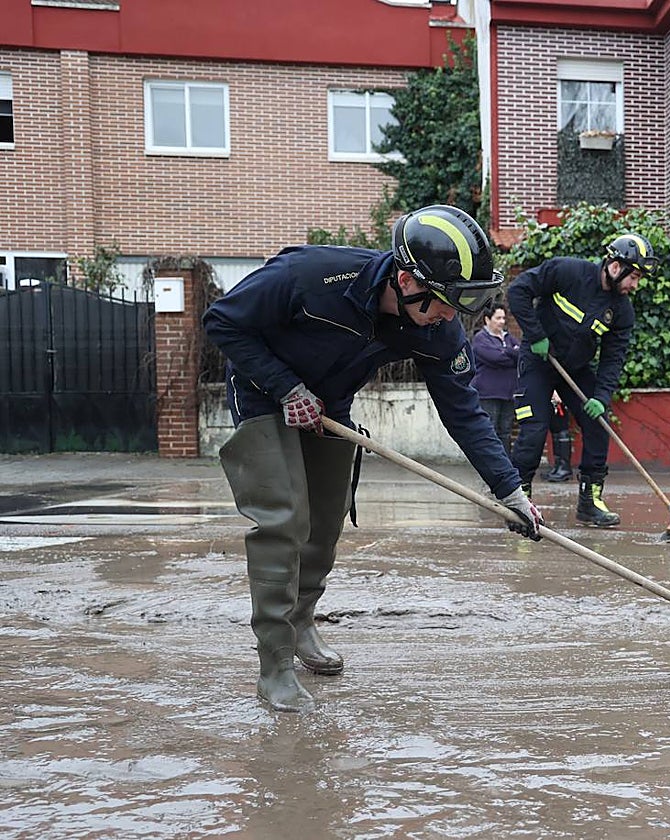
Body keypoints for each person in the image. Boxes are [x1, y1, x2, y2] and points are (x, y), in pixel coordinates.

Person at [202, 204, 542, 713]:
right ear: (406, 280)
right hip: (263, 395)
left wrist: (510, 490)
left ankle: (300, 624)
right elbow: (222, 322)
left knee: (324, 521)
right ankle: (274, 666)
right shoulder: (310, 276)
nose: (451, 317)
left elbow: (465, 413)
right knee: (283, 520)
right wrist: (286, 387)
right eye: (444, 303)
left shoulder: (437, 328)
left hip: (330, 408)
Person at [507, 233, 658, 527]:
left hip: (575, 368)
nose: (635, 285)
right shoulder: (567, 271)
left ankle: (590, 502)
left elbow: (614, 358)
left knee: (599, 423)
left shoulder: (622, 310)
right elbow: (518, 291)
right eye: (634, 276)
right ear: (616, 266)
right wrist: (536, 335)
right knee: (535, 427)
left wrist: (601, 397)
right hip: (539, 360)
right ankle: (519, 503)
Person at [470, 304, 520, 454]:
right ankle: (490, 464)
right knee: (490, 431)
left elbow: (522, 355)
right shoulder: (480, 339)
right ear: (487, 320)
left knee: (505, 431)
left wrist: (506, 351)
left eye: (503, 318)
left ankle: (505, 463)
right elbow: (495, 358)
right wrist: (511, 353)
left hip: (509, 393)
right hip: (488, 393)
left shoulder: (509, 338)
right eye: (498, 318)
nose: (502, 321)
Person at [542, 391, 573, 482]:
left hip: (560, 395)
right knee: (555, 430)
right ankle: (558, 466)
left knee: (561, 429)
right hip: (552, 395)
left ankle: (564, 467)